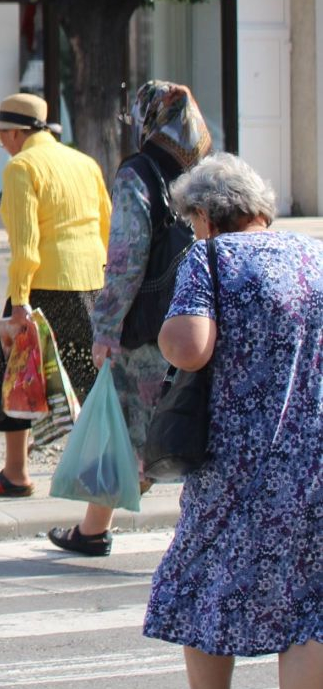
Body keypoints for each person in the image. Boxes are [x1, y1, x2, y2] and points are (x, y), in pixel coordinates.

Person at [145, 152, 322, 689]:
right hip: (314, 464)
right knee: (308, 610)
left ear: (205, 215)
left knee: (201, 588)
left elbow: (191, 348)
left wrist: (166, 335)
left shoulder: (210, 258)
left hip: (237, 464)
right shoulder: (315, 254)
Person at [48, 81, 212, 556]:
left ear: (150, 120)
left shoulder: (139, 172)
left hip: (148, 330)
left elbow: (124, 259)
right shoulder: (205, 171)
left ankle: (95, 529)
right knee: (187, 426)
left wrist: (104, 327)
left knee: (123, 431)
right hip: (199, 322)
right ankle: (96, 528)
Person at [0, 93, 110, 497]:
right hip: (90, 281)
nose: (1, 144)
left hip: (42, 284)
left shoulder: (22, 168)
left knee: (16, 375)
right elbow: (106, 224)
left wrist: (19, 303)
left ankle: (16, 473)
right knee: (88, 375)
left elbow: (25, 243)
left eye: (2, 136)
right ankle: (100, 468)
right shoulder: (84, 163)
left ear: (16, 133)